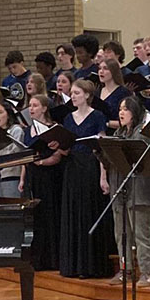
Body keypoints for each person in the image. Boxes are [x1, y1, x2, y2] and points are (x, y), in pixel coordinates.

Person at [57, 78, 113, 278]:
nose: (72, 96)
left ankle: (89, 265)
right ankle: (73, 264)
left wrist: (103, 177)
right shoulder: (67, 118)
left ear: (87, 95)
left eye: (77, 93)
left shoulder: (97, 116)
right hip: (72, 167)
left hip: (91, 166)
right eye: (71, 93)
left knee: (88, 212)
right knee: (74, 212)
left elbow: (101, 149)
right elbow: (66, 148)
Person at [101, 97, 150, 287]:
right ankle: (126, 269)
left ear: (135, 111)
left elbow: (142, 157)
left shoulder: (143, 132)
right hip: (119, 187)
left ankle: (147, 272)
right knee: (121, 233)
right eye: (119, 109)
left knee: (141, 233)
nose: (121, 112)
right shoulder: (117, 132)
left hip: (139, 190)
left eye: (126, 109)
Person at [21, 95, 64, 271]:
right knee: (33, 218)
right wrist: (22, 178)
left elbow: (58, 155)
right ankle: (35, 260)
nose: (31, 109)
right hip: (32, 176)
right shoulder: (27, 130)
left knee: (48, 216)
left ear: (44, 108)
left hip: (48, 176)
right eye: (30, 105)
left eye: (35, 105)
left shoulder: (53, 128)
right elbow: (25, 156)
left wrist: (42, 162)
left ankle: (51, 259)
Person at [0, 101, 26, 198]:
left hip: (10, 175)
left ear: (8, 115)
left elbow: (15, 153)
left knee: (11, 206)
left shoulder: (16, 130)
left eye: (0, 112)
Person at [96, 59, 131, 130]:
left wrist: (106, 123)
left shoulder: (123, 92)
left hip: (115, 133)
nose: (101, 71)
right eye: (99, 68)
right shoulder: (97, 91)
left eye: (105, 68)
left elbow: (128, 121)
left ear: (113, 72)